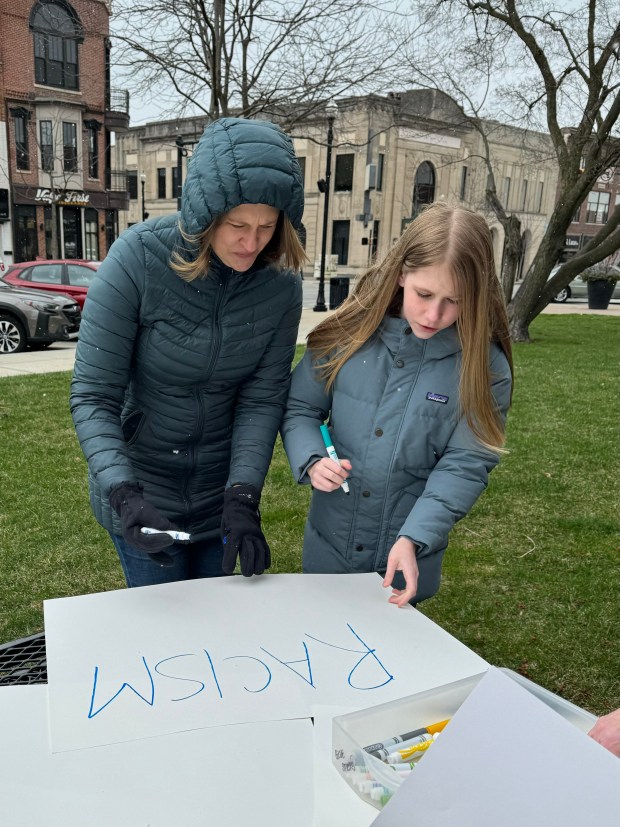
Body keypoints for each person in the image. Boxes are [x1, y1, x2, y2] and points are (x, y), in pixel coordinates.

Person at [70, 117, 305, 588]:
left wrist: (242, 495)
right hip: (141, 488)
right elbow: (93, 395)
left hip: (218, 495)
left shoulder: (280, 287)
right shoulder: (136, 258)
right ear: (204, 215)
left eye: (266, 226)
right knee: (164, 629)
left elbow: (261, 401)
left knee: (215, 628)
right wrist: (123, 491)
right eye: (237, 224)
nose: (251, 242)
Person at [281, 202, 513, 607]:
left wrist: (415, 537)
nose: (434, 313)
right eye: (424, 294)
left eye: (453, 301)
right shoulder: (347, 334)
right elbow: (300, 407)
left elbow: (465, 463)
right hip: (328, 551)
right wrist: (312, 458)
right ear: (402, 272)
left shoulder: (485, 367)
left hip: (404, 559)